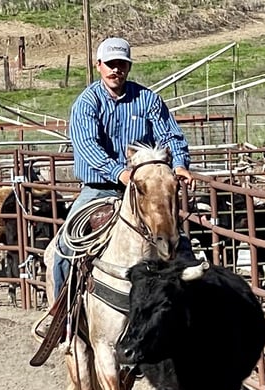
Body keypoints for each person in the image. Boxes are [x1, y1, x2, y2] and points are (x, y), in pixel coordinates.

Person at [53, 37, 195, 298]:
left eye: (121, 64)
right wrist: (119, 173)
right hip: (100, 188)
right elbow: (86, 145)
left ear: (128, 67)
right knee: (65, 248)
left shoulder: (148, 100)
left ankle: (190, 311)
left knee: (179, 242)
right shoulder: (87, 103)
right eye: (110, 64)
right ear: (99, 65)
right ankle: (63, 316)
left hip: (145, 188)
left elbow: (171, 136)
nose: (116, 69)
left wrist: (179, 163)